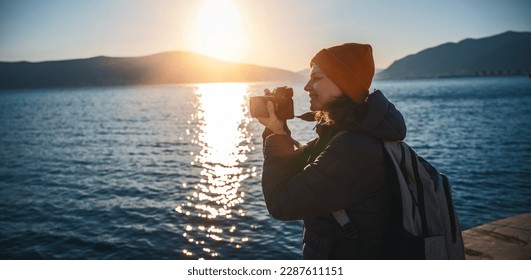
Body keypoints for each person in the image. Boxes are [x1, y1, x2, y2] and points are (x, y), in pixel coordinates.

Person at [256, 43, 407, 259]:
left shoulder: (354, 149)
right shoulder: (346, 134)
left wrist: (278, 136)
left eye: (316, 79)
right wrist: (278, 130)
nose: (307, 87)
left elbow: (281, 203)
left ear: (345, 84)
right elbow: (296, 168)